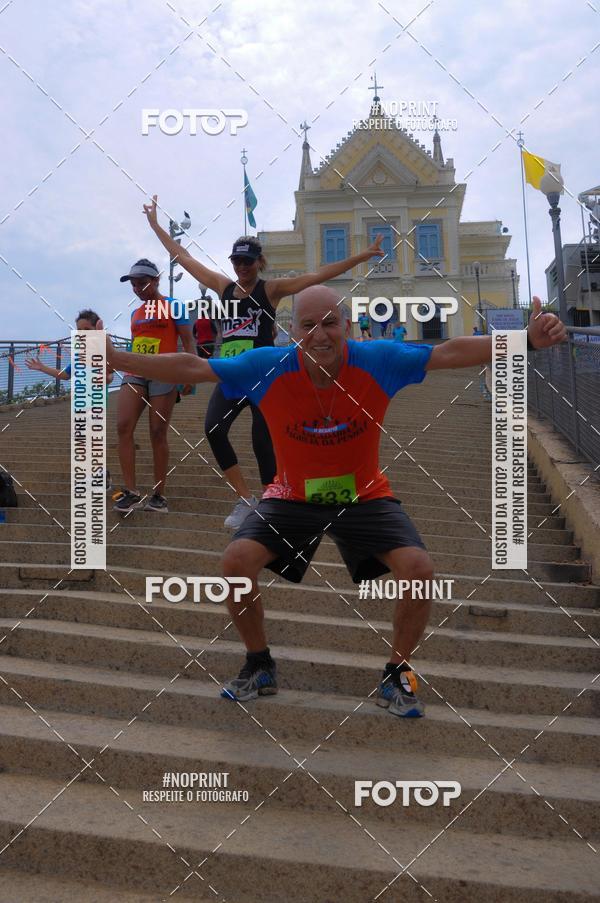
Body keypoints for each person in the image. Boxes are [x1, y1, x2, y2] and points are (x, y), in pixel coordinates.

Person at [102, 292, 567, 718]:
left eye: (329, 323)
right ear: (292, 331)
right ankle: (259, 664)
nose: (319, 335)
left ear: (346, 326)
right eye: (308, 325)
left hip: (363, 495)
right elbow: (193, 367)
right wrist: (118, 358)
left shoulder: (377, 359)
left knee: (419, 569)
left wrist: (524, 339)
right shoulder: (267, 364)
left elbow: (447, 352)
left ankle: (397, 675)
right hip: (291, 495)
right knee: (235, 561)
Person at [142, 194, 384, 529]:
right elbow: (182, 257)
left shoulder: (271, 290)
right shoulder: (223, 287)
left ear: (259, 262)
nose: (241, 267)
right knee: (213, 429)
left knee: (263, 441)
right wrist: (155, 225)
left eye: (248, 261)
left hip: (264, 374)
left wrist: (364, 255)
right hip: (232, 373)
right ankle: (245, 499)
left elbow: (317, 275)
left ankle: (274, 503)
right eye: (237, 261)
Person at [114, 259, 195, 513]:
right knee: (123, 425)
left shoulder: (174, 306)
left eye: (142, 283)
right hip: (136, 371)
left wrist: (190, 375)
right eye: (134, 285)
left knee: (157, 431)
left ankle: (159, 495)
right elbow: (136, 343)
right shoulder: (135, 313)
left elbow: (188, 341)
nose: (137, 289)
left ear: (156, 280)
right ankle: (131, 492)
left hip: (164, 371)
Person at [26, 308, 114, 489]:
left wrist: (105, 376)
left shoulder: (103, 350)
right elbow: (65, 375)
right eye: (79, 330)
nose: (83, 334)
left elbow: (110, 375)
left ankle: (100, 476)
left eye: (87, 330)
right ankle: (97, 474)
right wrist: (42, 367)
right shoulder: (79, 356)